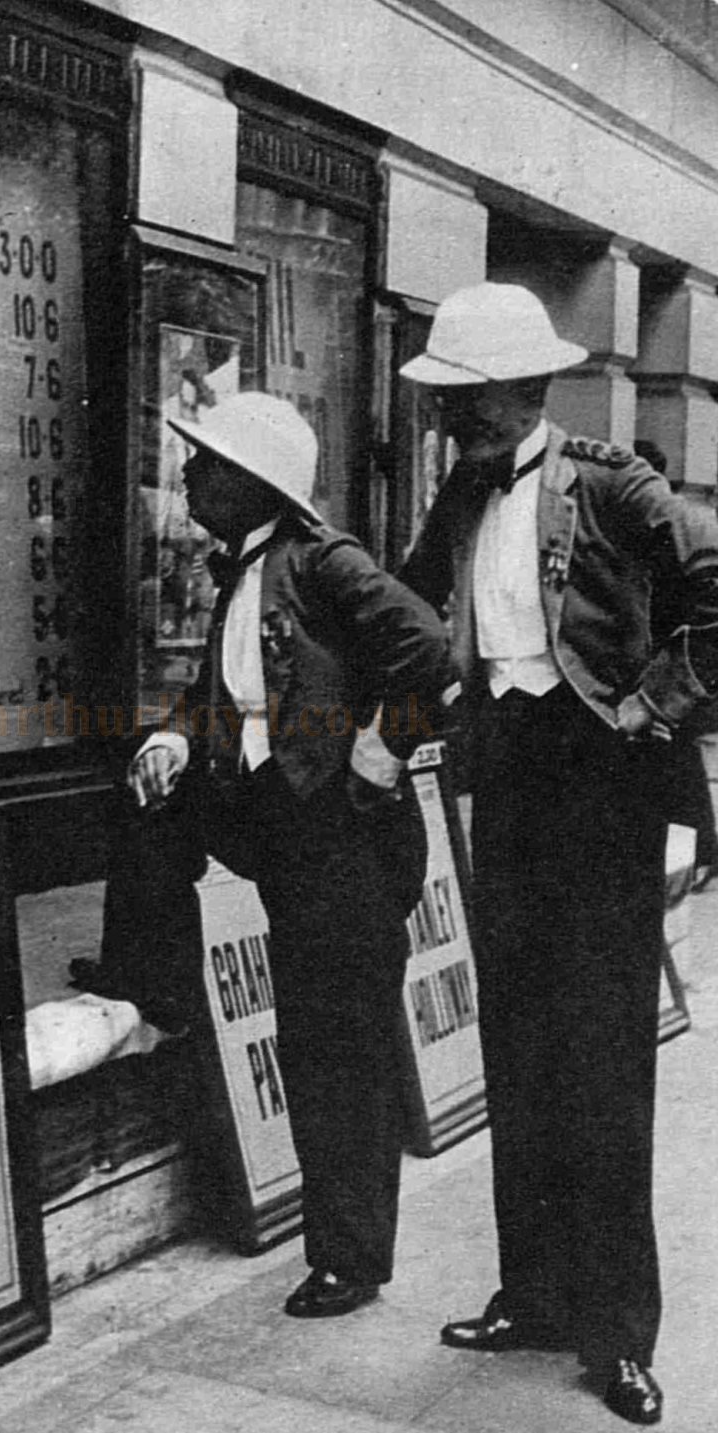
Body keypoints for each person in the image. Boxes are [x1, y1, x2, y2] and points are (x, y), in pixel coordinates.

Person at [398, 282, 718, 1426]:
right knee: (520, 1041)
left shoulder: (614, 482)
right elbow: (405, 599)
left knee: (603, 1059)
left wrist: (651, 709)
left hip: (606, 785)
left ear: (522, 391)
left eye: (467, 402)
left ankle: (618, 1332)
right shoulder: (462, 488)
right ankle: (531, 1292)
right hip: (511, 780)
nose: (450, 422)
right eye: (448, 405)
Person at [75, 392, 449, 1318]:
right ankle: (152, 978)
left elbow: (428, 646)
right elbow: (226, 695)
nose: (190, 476)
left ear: (251, 484)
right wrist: (172, 736)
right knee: (140, 789)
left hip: (344, 843)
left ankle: (349, 1260)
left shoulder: (323, 560)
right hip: (273, 818)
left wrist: (379, 747)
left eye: (205, 464)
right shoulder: (240, 571)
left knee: (335, 1048)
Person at [633, 439, 718, 891]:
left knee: (678, 760)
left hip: (672, 669)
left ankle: (702, 851)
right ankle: (700, 851)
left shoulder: (665, 526)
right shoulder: (669, 520)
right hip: (671, 666)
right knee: (677, 762)